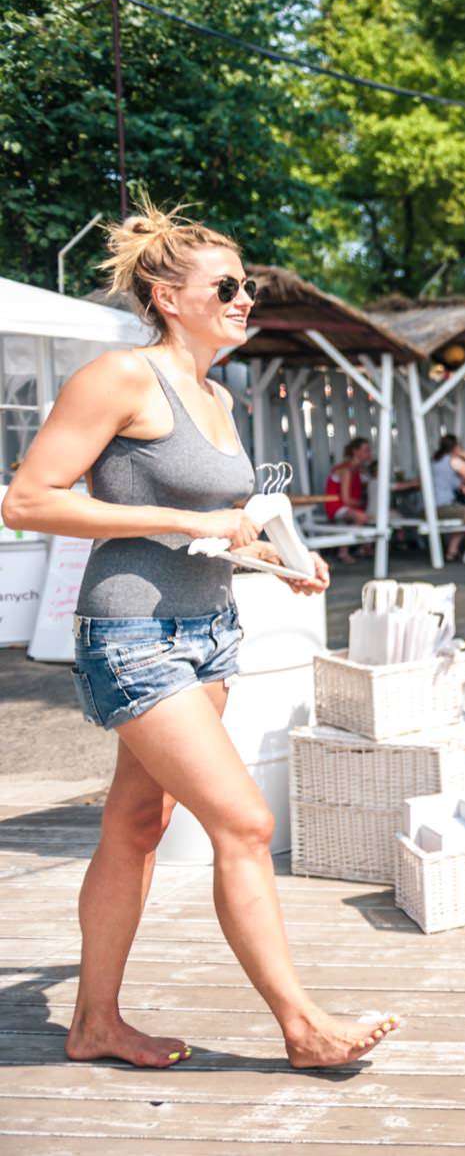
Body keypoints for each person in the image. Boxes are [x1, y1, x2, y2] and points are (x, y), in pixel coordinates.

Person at [0, 199, 396, 1069]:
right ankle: (303, 1026)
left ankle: (94, 1022)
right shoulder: (121, 377)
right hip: (133, 632)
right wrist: (170, 522)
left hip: (211, 629)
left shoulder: (218, 394)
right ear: (167, 293)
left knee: (138, 820)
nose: (246, 295)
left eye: (247, 283)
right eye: (227, 284)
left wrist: (272, 558)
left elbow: (212, 523)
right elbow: (27, 499)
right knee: (247, 822)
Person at [429, 434, 465, 563]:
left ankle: (452, 551)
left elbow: (448, 482)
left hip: (427, 508)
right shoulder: (454, 461)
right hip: (441, 507)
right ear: (456, 447)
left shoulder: (434, 460)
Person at [321, 435, 374, 563]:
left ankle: (365, 548)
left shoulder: (359, 470)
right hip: (336, 506)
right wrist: (362, 502)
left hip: (349, 507)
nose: (369, 453)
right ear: (355, 451)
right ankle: (343, 551)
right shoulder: (346, 470)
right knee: (362, 517)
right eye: (366, 450)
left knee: (370, 515)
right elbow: (346, 499)